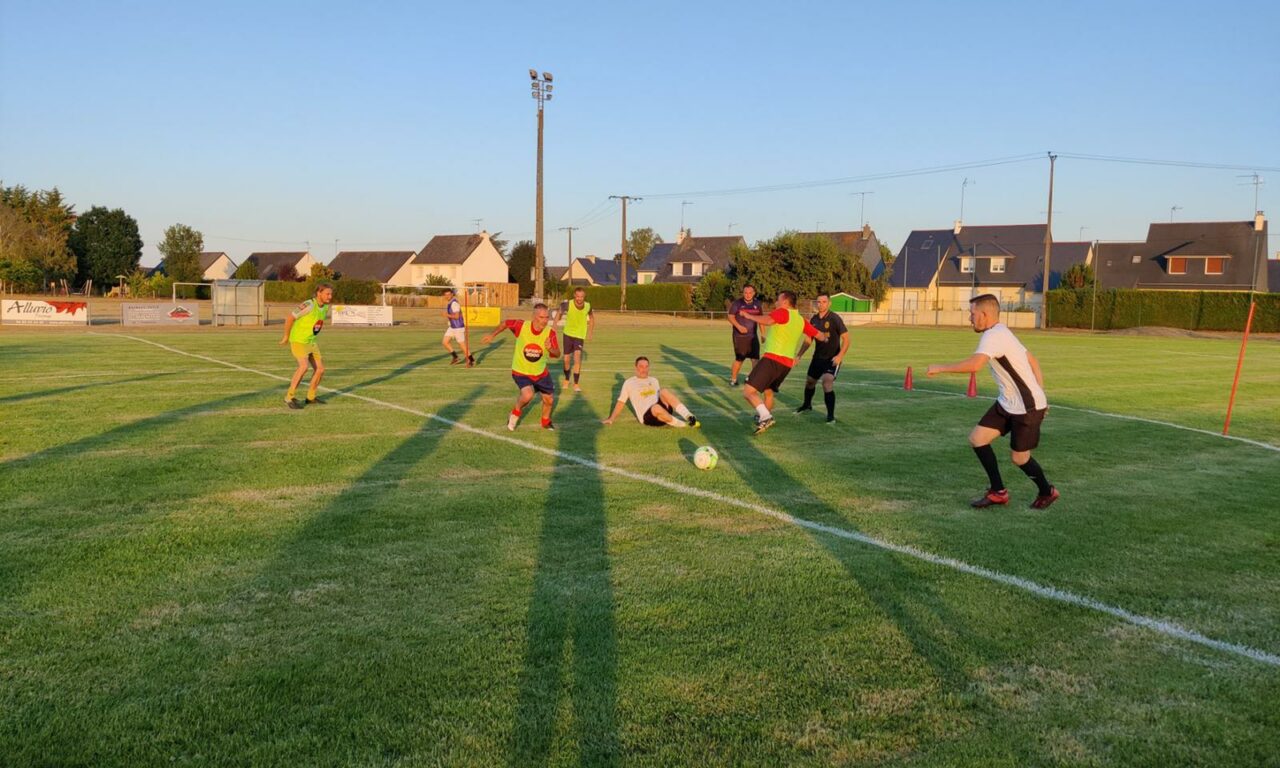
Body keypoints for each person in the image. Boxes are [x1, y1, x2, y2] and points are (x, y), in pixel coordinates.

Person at [927, 293, 1059, 509]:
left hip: (1026, 408)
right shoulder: (1002, 331)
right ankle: (998, 492)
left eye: (972, 314)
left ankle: (1047, 491)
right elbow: (1033, 361)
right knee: (978, 438)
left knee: (1019, 458)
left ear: (984, 314)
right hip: (1008, 403)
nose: (970, 318)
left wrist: (940, 368)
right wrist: (1040, 393)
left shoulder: (993, 335)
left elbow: (975, 365)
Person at [743, 291, 827, 435]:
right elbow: (820, 336)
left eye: (778, 300)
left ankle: (766, 417)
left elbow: (768, 321)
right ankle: (763, 418)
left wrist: (749, 316)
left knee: (748, 391)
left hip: (772, 359)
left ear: (785, 302)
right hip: (786, 364)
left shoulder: (783, 312)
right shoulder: (801, 320)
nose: (776, 302)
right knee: (768, 392)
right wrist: (827, 338)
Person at [481, 303, 561, 431]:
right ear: (534, 317)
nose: (545, 321)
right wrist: (492, 335)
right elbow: (505, 323)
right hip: (521, 371)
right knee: (527, 395)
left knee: (549, 400)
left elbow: (557, 354)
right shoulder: (521, 326)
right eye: (541, 317)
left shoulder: (550, 333)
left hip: (540, 373)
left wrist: (550, 348)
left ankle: (545, 421)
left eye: (547, 317)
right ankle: (515, 413)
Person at [602, 356, 700, 428]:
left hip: (661, 409)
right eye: (641, 366)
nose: (644, 369)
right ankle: (683, 425)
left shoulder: (654, 380)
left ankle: (689, 416)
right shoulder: (629, 383)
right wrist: (611, 419)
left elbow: (661, 398)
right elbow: (621, 402)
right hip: (647, 416)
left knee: (664, 391)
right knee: (656, 408)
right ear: (636, 367)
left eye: (646, 366)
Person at [796, 292, 850, 423]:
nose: (821, 304)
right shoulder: (814, 320)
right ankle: (807, 405)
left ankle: (830, 416)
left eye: (824, 302)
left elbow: (846, 339)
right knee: (810, 382)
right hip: (817, 358)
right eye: (818, 302)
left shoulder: (835, 318)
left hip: (832, 359)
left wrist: (840, 356)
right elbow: (808, 340)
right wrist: (799, 355)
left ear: (829, 303)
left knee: (827, 382)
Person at [278, 283, 333, 409]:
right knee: (303, 367)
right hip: (299, 341)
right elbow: (290, 318)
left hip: (311, 342)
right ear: (319, 293)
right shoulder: (309, 304)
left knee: (320, 369)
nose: (330, 296)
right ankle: (289, 397)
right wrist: (286, 336)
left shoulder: (325, 307)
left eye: (331, 294)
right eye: (327, 294)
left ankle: (310, 397)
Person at [553, 286, 594, 392]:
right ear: (574, 296)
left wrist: (590, 332)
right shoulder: (567, 304)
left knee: (577, 357)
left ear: (584, 296)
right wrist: (554, 326)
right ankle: (567, 379)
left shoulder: (588, 306)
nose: (579, 298)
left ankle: (576, 383)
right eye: (578, 296)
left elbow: (592, 318)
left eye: (582, 296)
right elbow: (559, 313)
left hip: (579, 335)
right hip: (568, 334)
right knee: (566, 359)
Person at [727, 284, 763, 386]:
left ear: (754, 293)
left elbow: (760, 319)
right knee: (740, 359)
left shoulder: (757, 304)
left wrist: (763, 334)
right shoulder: (737, 303)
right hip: (740, 337)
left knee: (755, 359)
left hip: (753, 336)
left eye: (750, 293)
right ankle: (733, 380)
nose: (748, 295)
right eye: (745, 293)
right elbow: (730, 317)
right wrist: (739, 327)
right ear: (743, 293)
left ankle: (751, 379)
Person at [441, 288, 474, 367]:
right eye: (446, 295)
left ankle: (471, 360)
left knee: (462, 345)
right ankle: (455, 357)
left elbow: (456, 316)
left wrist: (446, 315)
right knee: (445, 342)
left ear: (452, 294)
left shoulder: (454, 304)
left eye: (449, 294)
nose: (447, 296)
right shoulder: (450, 303)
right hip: (452, 327)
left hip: (458, 327)